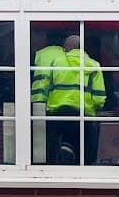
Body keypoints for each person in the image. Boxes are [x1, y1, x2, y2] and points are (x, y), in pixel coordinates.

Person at [30, 33, 107, 164]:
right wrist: (96, 107)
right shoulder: (94, 65)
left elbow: (45, 86)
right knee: (84, 152)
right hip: (84, 115)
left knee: (54, 150)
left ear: (66, 48)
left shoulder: (56, 63)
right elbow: (99, 98)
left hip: (57, 113)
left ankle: (60, 161)